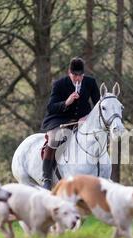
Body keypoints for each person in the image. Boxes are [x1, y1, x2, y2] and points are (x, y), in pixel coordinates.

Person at [40, 57, 100, 190]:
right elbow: (51, 107)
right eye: (74, 75)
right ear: (69, 72)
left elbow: (98, 105)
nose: (77, 78)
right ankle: (47, 178)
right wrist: (66, 102)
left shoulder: (90, 82)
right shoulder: (59, 84)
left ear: (83, 74)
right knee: (54, 140)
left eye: (80, 75)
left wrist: (88, 117)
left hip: (83, 120)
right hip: (60, 120)